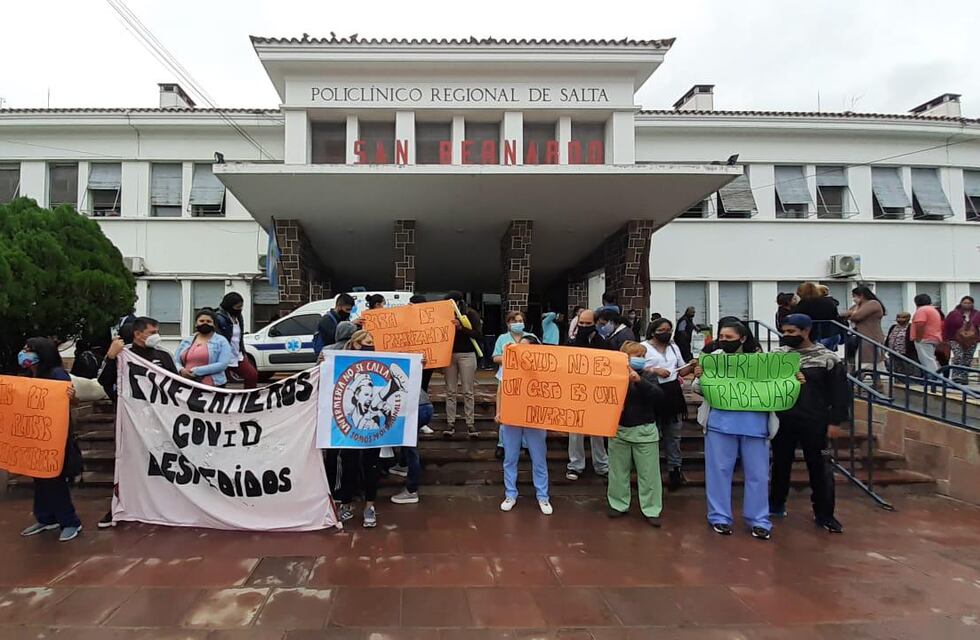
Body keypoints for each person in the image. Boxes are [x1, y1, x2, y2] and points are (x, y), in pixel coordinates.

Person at [694, 322, 788, 540]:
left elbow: (777, 387)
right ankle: (719, 517)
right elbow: (699, 389)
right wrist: (700, 376)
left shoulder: (764, 362)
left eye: (729, 336)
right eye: (721, 336)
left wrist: (794, 380)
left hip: (755, 425)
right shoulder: (713, 358)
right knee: (718, 472)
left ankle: (759, 520)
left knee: (758, 474)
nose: (724, 340)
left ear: (743, 338)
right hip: (720, 423)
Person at [770, 314, 848, 534]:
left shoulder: (827, 358)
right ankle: (776, 504)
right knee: (780, 464)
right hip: (783, 418)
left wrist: (835, 422)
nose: (787, 336)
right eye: (784, 332)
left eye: (792, 332)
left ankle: (824, 514)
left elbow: (840, 393)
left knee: (820, 468)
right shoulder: (777, 356)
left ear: (806, 331)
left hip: (815, 421)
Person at [96, 317, 178, 528]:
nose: (156, 336)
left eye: (157, 331)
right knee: (128, 464)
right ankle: (119, 506)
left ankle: (166, 504)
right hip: (131, 421)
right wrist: (111, 356)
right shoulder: (124, 355)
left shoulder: (163, 356)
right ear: (137, 334)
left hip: (159, 421)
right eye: (152, 332)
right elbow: (104, 381)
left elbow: (177, 386)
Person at [17, 337, 83, 542]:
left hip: (55, 437)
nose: (24, 352)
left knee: (55, 480)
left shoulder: (57, 374)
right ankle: (46, 518)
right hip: (35, 437)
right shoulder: (27, 375)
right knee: (39, 479)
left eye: (29, 349)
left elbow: (70, 402)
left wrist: (70, 397)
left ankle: (70, 522)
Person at [608, 341, 666, 526]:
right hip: (619, 431)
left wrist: (639, 382)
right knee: (618, 472)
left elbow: (659, 397)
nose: (640, 359)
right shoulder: (614, 376)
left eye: (642, 356)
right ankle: (618, 504)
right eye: (636, 356)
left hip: (645, 432)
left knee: (649, 474)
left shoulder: (649, 376)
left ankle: (651, 509)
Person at [496, 334, 552, 515]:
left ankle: (543, 497)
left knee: (539, 458)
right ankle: (510, 494)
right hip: (512, 418)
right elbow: (501, 390)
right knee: (510, 458)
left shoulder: (545, 368)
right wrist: (499, 412)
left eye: (524, 346)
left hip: (534, 418)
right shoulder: (509, 365)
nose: (520, 349)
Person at [642, 319, 696, 491]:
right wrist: (654, 370)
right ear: (653, 331)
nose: (666, 332)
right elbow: (635, 368)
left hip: (672, 393)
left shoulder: (674, 347)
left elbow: (681, 370)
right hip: (652, 391)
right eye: (662, 329)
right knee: (653, 434)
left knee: (673, 434)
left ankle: (674, 469)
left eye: (669, 329)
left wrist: (691, 366)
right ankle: (650, 470)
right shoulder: (643, 347)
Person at [336, 330, 382, 527]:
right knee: (349, 465)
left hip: (372, 434)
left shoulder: (380, 360)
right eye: (367, 342)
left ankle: (369, 506)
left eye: (372, 342)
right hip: (348, 431)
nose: (371, 345)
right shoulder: (339, 360)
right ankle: (345, 504)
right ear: (355, 344)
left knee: (371, 465)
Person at [567, 309, 609, 480]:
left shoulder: (603, 342)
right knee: (575, 431)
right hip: (576, 392)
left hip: (596, 393)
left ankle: (602, 465)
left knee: (597, 430)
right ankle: (576, 465)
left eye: (588, 324)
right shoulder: (571, 343)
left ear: (595, 324)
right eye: (581, 323)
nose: (584, 327)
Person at [442, 291, 483, 439]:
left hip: (467, 354)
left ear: (458, 302)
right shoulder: (444, 316)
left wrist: (462, 328)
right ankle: (450, 423)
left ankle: (470, 423)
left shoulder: (471, 314)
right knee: (450, 391)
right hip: (449, 355)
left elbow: (478, 335)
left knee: (468, 390)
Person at [493, 311, 531, 457]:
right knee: (505, 409)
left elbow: (540, 355)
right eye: (514, 321)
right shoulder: (502, 338)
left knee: (525, 410)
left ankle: (526, 444)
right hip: (507, 377)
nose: (518, 323)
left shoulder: (530, 337)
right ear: (508, 323)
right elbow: (495, 357)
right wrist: (510, 358)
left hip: (527, 380)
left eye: (520, 320)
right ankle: (502, 443)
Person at [390, 387, 432, 505]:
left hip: (415, 408)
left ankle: (411, 490)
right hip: (425, 406)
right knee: (407, 439)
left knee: (412, 449)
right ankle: (403, 465)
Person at [175, 309, 233, 387]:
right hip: (187, 384)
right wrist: (181, 370)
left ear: (214, 325)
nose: (205, 323)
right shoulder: (186, 341)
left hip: (213, 386)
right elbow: (175, 361)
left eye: (208, 321)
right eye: (201, 321)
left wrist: (196, 371)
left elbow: (223, 364)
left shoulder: (222, 341)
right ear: (196, 324)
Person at [215, 292, 258, 389]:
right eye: (237, 307)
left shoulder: (239, 316)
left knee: (252, 375)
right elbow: (218, 339)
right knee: (221, 382)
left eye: (241, 306)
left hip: (237, 354)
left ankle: (249, 398)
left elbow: (240, 337)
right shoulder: (219, 318)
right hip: (223, 355)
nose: (240, 309)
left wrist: (243, 353)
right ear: (230, 306)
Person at [841, 286, 886, 370]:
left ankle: (863, 380)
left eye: (855, 296)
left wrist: (851, 313)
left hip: (870, 337)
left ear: (861, 295)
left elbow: (857, 316)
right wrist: (852, 312)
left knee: (868, 363)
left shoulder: (873, 303)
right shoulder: (857, 306)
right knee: (856, 362)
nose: (854, 298)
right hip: (856, 338)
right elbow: (844, 314)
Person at [792, 282, 844, 350]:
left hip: (814, 336)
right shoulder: (828, 302)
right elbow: (835, 315)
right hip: (832, 334)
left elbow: (795, 319)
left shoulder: (803, 304)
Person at [943, 296, 980, 384]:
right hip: (955, 339)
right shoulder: (954, 314)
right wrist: (945, 339)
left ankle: (964, 377)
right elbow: (947, 326)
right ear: (961, 303)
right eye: (965, 303)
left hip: (972, 340)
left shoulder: (977, 314)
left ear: (972, 304)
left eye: (969, 303)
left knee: (967, 358)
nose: (967, 305)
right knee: (958, 356)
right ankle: (956, 376)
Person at [910, 294, 943, 374]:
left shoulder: (922, 310)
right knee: (932, 359)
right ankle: (938, 377)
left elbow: (920, 324)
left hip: (924, 338)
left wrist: (918, 338)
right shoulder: (933, 310)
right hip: (934, 337)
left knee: (927, 360)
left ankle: (936, 378)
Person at [885, 312, 918, 376]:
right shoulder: (893, 327)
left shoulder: (910, 327)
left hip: (906, 353)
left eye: (903, 318)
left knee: (906, 369)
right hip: (893, 352)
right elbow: (889, 337)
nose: (900, 319)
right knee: (895, 368)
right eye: (898, 317)